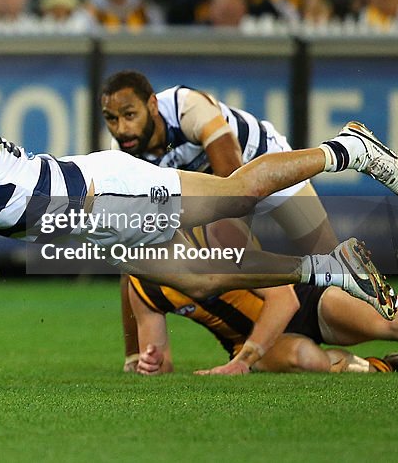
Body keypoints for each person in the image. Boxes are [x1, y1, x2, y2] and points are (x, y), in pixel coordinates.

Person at [0, 54, 398, 319]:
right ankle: (325, 269)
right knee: (204, 279)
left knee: (237, 194)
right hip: (84, 219)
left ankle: (347, 148)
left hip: (104, 192)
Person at [100, 70, 343, 369]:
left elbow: (234, 184)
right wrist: (134, 356)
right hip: (219, 193)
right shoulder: (123, 156)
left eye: (129, 115)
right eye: (112, 119)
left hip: (265, 169)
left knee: (333, 264)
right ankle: (282, 333)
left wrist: (216, 247)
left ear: (152, 105)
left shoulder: (187, 107)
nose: (122, 128)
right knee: (136, 248)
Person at [127, 232, 398, 375]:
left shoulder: (213, 237)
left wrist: (243, 362)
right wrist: (151, 363)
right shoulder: (141, 285)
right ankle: (390, 365)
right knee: (307, 360)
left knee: (397, 322)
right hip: (250, 340)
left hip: (305, 301)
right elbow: (162, 364)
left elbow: (284, 298)